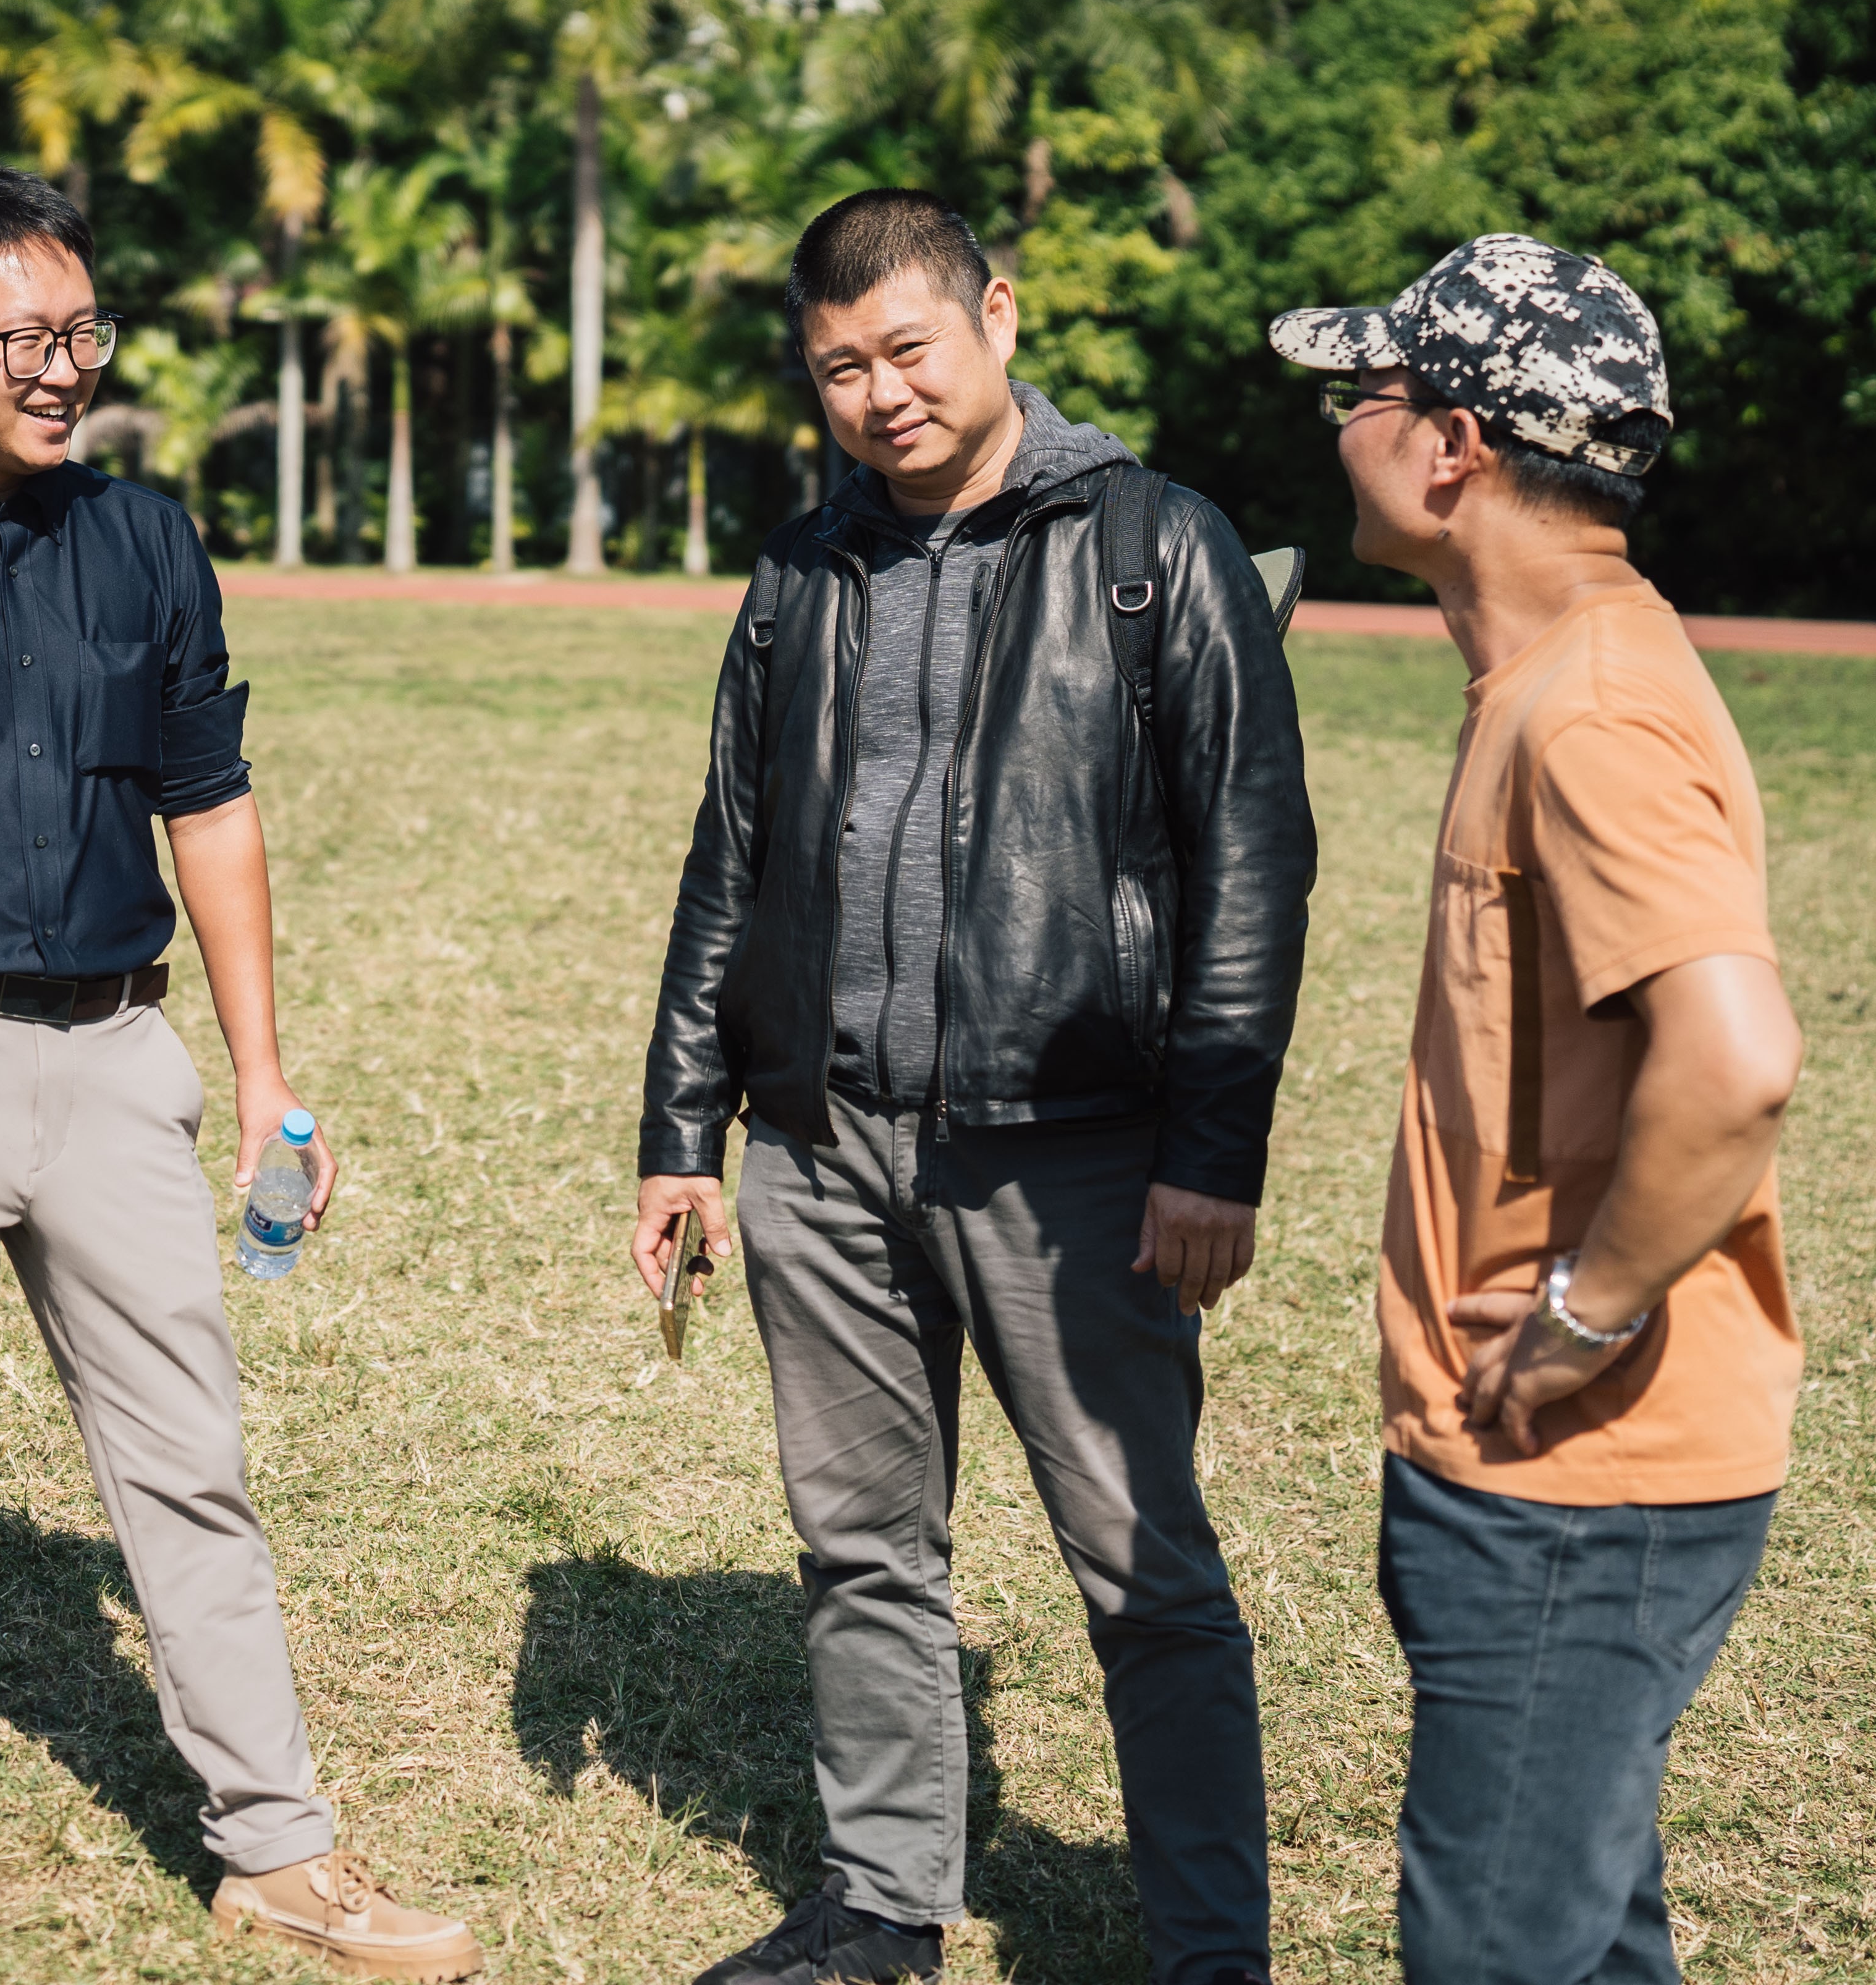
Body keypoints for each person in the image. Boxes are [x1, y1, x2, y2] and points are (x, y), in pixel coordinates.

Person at [0, 163, 476, 1981]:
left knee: (190, 1462)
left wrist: (264, 1072)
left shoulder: (146, 541)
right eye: (21, 337)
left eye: (82, 333)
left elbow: (210, 802)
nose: (62, 368)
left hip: (123, 1054)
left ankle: (277, 1848)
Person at [634, 189, 1314, 1985]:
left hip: (1071, 1158)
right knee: (861, 1547)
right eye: (838, 369)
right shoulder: (803, 571)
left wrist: (1213, 1150)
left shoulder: (1157, 546)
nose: (881, 396)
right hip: (823, 1148)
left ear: (997, 316)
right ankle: (880, 1909)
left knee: (1145, 1572)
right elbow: (731, 856)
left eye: (909, 349)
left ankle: (1210, 1954)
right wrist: (683, 1129)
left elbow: (1253, 863)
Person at [1272, 237, 1804, 1985]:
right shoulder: (1571, 666)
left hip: (1580, 1482)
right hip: (1550, 1472)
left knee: (1495, 1952)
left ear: (1456, 445)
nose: (1340, 425)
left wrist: (1585, 1316)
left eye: (1363, 392)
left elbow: (1734, 1057)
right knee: (1587, 1937)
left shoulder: (1589, 714)